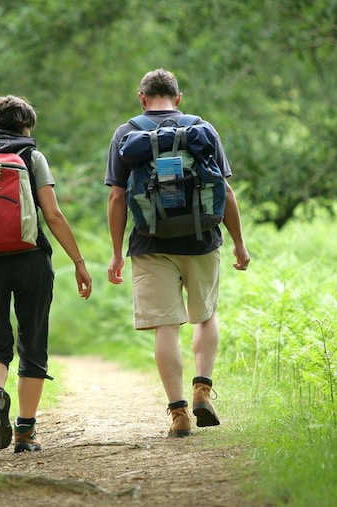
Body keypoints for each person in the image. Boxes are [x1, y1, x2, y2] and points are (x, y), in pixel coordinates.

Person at [104, 69, 250, 438]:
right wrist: (239, 243)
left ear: (141, 97)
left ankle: (179, 413)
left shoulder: (127, 134)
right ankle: (202, 388)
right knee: (205, 315)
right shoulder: (202, 129)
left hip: (151, 243)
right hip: (202, 239)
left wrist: (117, 253)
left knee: (166, 326)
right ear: (178, 98)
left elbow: (117, 196)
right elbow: (225, 191)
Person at [0, 95, 93, 453]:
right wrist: (78, 261)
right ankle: (25, 432)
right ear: (25, 126)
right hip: (31, 260)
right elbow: (54, 215)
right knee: (33, 340)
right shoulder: (31, 157)